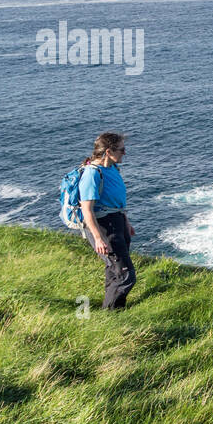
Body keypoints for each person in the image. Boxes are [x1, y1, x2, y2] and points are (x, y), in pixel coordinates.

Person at [79, 132, 136, 309]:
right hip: (104, 226)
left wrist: (126, 222)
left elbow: (116, 200)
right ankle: (111, 314)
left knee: (114, 271)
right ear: (109, 151)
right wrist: (97, 238)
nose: (124, 153)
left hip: (117, 221)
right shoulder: (92, 174)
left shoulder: (111, 168)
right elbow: (86, 210)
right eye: (122, 149)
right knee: (126, 276)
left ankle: (113, 308)